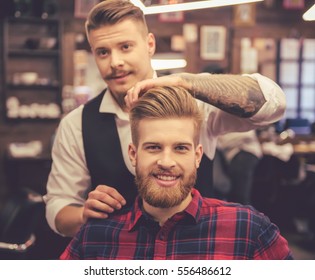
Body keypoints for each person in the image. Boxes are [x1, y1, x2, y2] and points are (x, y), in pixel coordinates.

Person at [44, 0, 286, 238]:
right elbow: (58, 205)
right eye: (103, 52)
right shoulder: (77, 124)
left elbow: (273, 103)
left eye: (125, 46)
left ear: (149, 44)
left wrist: (185, 83)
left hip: (197, 251)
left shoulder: (197, 103)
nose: (115, 62)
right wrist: (82, 216)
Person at [60, 86, 293, 260]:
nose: (166, 162)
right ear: (133, 153)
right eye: (153, 147)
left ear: (198, 156)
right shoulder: (95, 236)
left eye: (180, 148)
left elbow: (272, 101)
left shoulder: (248, 230)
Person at [216, 130, 263, 204]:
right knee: (237, 196)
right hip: (239, 154)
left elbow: (246, 136)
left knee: (240, 197)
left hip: (243, 153)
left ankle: (245, 215)